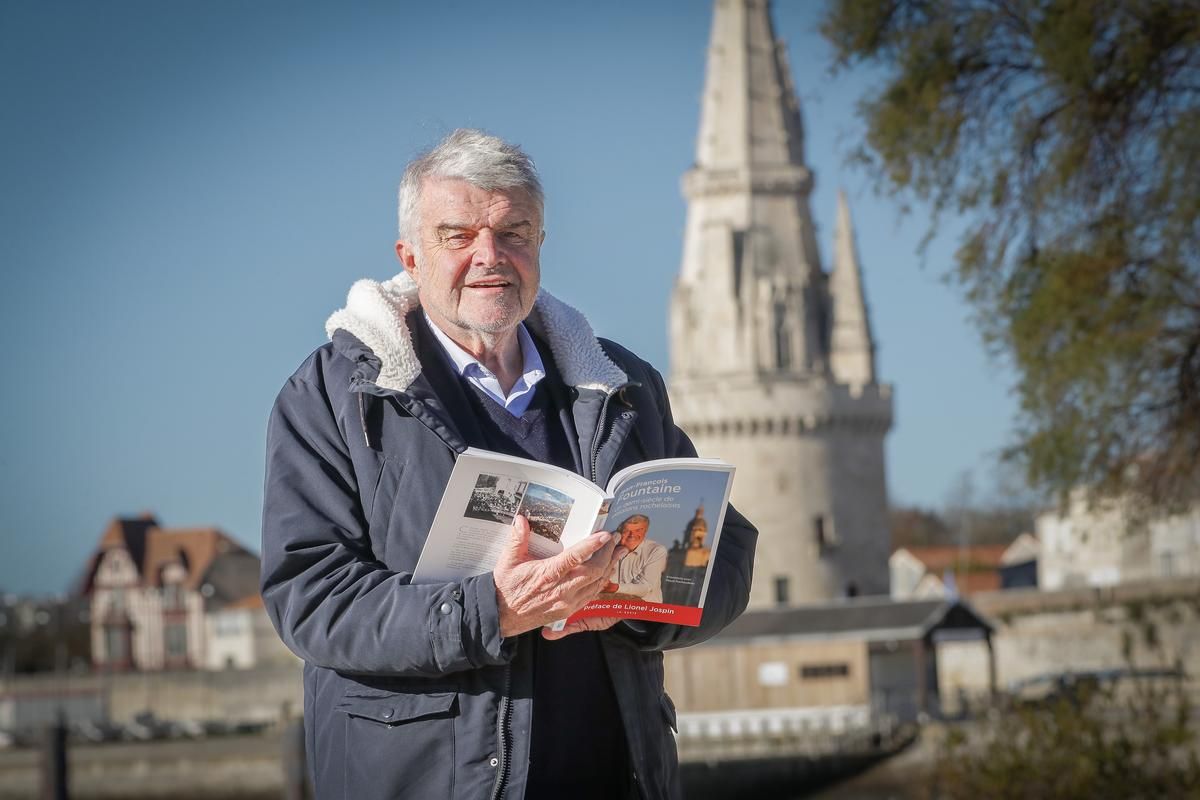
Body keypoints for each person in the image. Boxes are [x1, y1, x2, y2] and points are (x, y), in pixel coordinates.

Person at [260, 129, 757, 800]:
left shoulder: (623, 385)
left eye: (513, 233)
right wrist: (492, 610)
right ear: (410, 256)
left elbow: (724, 558)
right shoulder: (333, 397)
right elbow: (311, 598)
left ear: (540, 243)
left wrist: (631, 600)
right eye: (458, 236)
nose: (489, 256)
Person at [603, 514, 667, 603]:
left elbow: (645, 587)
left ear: (645, 532)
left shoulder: (656, 550)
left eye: (638, 530)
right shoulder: (611, 549)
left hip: (645, 607)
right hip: (612, 604)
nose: (632, 535)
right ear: (620, 533)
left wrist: (614, 587)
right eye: (627, 531)